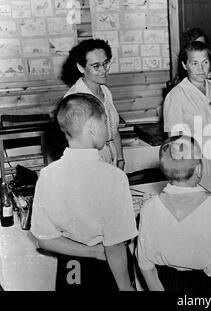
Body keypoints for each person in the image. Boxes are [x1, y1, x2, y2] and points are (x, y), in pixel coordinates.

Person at [30, 93, 138, 291]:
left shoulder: (47, 174)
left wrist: (92, 252)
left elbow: (45, 240)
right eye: (105, 121)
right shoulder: (113, 177)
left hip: (70, 270)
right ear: (92, 127)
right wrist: (125, 287)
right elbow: (114, 246)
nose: (109, 128)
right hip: (107, 270)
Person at [136, 135, 211, 291]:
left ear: (165, 171)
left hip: (163, 283)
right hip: (204, 285)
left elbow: (146, 267)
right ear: (199, 169)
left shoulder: (149, 207)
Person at [163, 41, 211, 178]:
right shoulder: (175, 96)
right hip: (196, 163)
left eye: (205, 62)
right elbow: (174, 140)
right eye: (194, 63)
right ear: (185, 65)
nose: (201, 69)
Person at [64, 39, 124, 169]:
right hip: (89, 163)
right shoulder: (74, 98)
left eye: (106, 63)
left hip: (111, 157)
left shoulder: (105, 91)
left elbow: (114, 130)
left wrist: (120, 159)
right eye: (96, 66)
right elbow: (76, 146)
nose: (103, 70)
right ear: (81, 67)